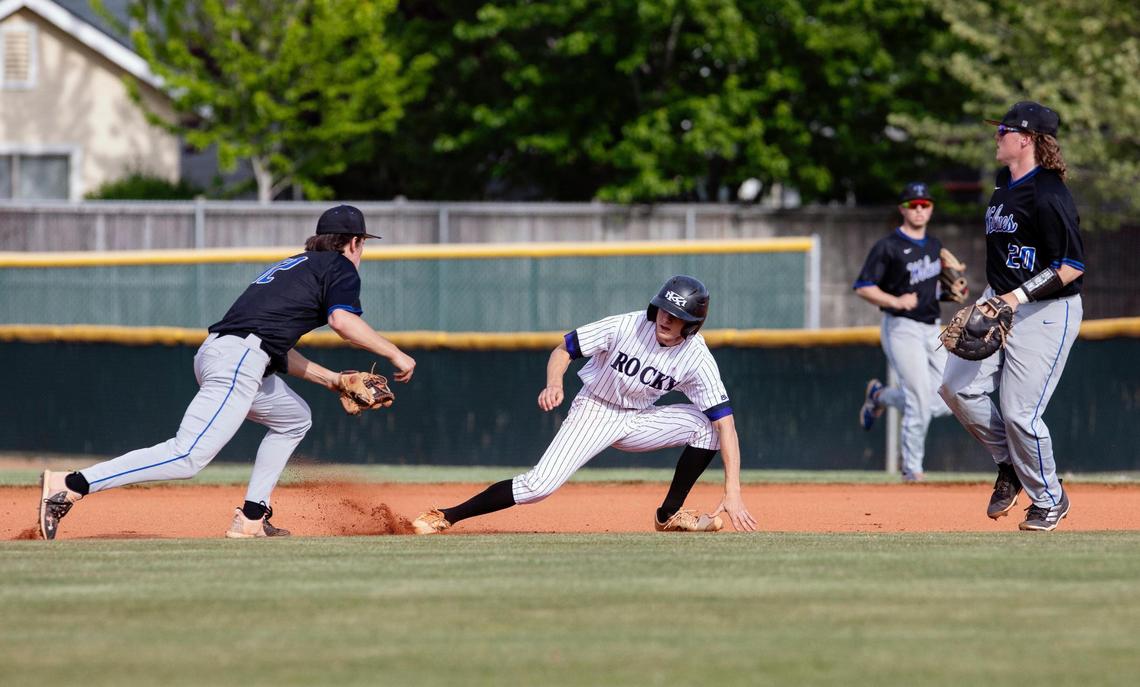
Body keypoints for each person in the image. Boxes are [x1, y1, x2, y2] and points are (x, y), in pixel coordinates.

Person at [38, 205, 417, 540]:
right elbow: (342, 321)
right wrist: (396, 354)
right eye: (363, 243)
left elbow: (273, 346)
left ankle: (252, 516)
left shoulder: (297, 266)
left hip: (230, 353)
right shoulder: (339, 266)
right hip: (238, 359)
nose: (362, 251)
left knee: (294, 419)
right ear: (353, 242)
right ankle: (71, 484)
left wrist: (333, 380)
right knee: (187, 456)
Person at [411, 275, 759, 534]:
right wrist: (554, 382)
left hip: (639, 419)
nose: (665, 319)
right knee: (538, 487)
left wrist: (733, 491)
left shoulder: (696, 358)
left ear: (693, 325)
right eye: (663, 310)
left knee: (708, 426)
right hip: (595, 409)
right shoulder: (627, 325)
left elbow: (725, 424)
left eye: (675, 315)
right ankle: (446, 514)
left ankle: (668, 515)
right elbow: (564, 350)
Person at [939, 101, 1085, 531]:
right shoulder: (1004, 181)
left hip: (1046, 311)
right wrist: (993, 297)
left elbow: (1071, 266)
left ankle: (1049, 498)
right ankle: (1011, 465)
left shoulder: (1050, 194)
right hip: (998, 299)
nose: (996, 136)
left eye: (1003, 130)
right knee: (954, 388)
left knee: (1020, 411)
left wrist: (1015, 297)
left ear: (1026, 139)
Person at [853, 182, 956, 482]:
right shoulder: (888, 246)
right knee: (919, 400)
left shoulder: (935, 246)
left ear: (931, 208)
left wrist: (950, 291)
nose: (920, 209)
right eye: (914, 204)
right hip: (901, 328)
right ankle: (913, 469)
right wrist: (895, 300)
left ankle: (881, 396)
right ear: (903, 209)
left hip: (932, 327)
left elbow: (936, 287)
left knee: (950, 397)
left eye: (925, 204)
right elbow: (863, 286)